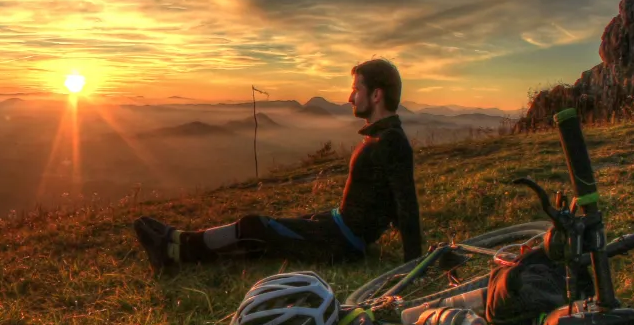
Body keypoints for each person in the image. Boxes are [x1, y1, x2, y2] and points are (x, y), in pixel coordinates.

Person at [134, 58, 422, 269]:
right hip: (336, 224)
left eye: (356, 89)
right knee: (268, 234)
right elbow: (393, 200)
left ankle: (178, 250)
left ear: (376, 95)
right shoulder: (381, 137)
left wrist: (414, 264)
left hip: (342, 242)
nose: (350, 97)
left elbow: (406, 205)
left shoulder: (391, 142)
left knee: (255, 226)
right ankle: (176, 242)